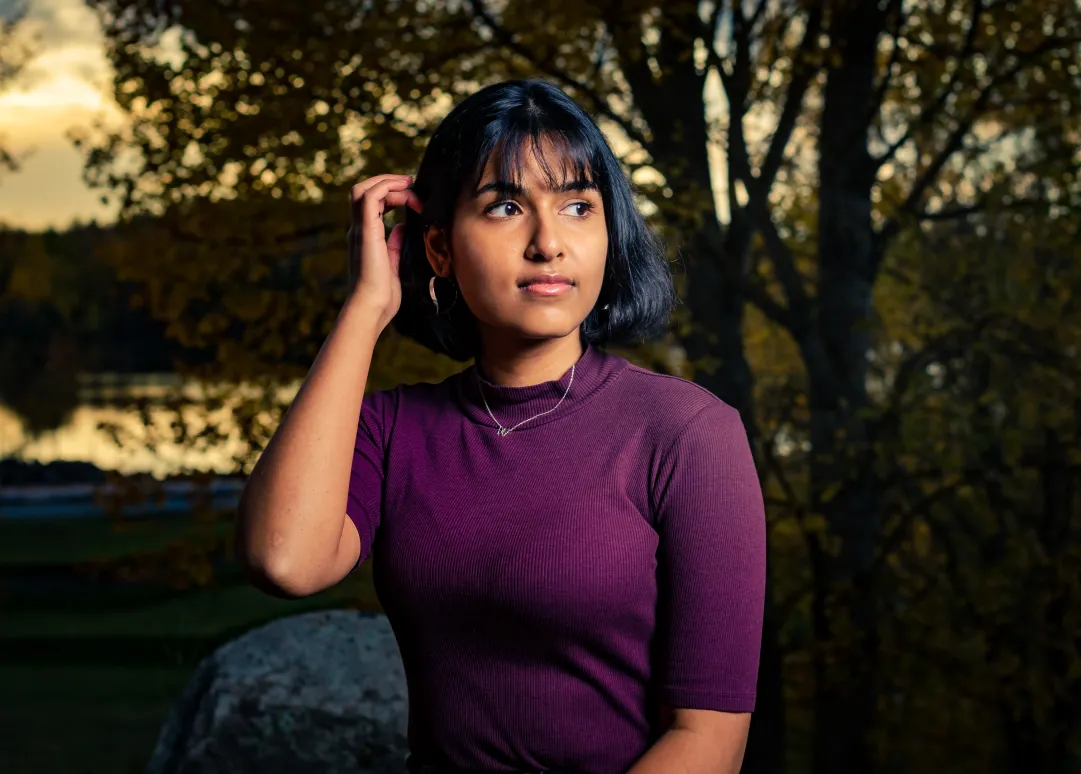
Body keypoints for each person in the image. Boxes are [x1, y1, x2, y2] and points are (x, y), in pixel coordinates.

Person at [234, 79, 767, 774]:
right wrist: (365, 310)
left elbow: (709, 741)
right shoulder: (392, 431)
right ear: (439, 250)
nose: (548, 243)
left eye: (578, 206)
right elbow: (283, 560)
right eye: (506, 207)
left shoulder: (687, 434)